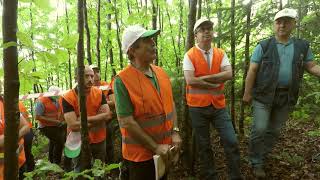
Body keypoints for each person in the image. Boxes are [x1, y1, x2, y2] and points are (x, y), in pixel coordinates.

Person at [243, 8, 320, 178]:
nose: (282, 25)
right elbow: (252, 70)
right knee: (260, 129)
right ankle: (256, 162)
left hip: (286, 96)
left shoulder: (301, 46)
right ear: (274, 25)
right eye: (278, 21)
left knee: (275, 131)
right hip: (263, 96)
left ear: (293, 23)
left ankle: (262, 156)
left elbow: (311, 66)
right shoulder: (264, 46)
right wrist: (247, 93)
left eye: (286, 21)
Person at [113, 25, 182, 180]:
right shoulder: (122, 80)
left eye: (152, 39)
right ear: (132, 50)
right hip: (140, 158)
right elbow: (126, 122)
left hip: (165, 151)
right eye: (147, 40)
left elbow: (170, 104)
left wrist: (175, 132)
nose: (153, 43)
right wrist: (155, 147)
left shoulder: (161, 73)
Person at [183, 18, 241, 180]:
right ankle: (210, 176)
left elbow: (228, 74)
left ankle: (235, 176)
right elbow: (190, 80)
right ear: (196, 35)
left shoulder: (220, 53)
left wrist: (204, 79)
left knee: (231, 141)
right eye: (202, 29)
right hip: (197, 107)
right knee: (204, 145)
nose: (207, 31)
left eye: (209, 28)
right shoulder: (189, 55)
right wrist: (215, 80)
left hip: (218, 106)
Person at [62, 65, 113, 170]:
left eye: (91, 76)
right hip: (78, 140)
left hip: (99, 138)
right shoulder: (68, 97)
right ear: (76, 78)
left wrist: (83, 120)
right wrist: (99, 120)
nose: (90, 79)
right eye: (86, 76)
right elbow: (73, 125)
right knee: (80, 171)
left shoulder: (98, 93)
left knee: (99, 170)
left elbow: (107, 115)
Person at [89, 64, 116, 164]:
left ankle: (111, 167)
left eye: (98, 71)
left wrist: (100, 103)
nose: (96, 74)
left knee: (109, 145)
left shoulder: (106, 85)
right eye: (93, 72)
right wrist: (104, 103)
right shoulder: (87, 87)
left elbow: (113, 102)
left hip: (106, 121)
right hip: (91, 123)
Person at [0, 96, 30, 180]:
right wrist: (16, 135)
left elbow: (26, 127)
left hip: (19, 161)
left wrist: (10, 137)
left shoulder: (5, 103)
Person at [35, 86, 66, 165]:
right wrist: (54, 121)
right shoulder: (41, 101)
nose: (58, 95)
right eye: (56, 94)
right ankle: (56, 162)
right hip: (45, 126)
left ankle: (51, 160)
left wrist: (62, 120)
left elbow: (61, 111)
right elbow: (38, 117)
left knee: (54, 141)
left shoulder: (58, 99)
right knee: (59, 142)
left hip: (56, 124)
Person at [19, 101, 35, 172]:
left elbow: (23, 115)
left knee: (26, 151)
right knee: (25, 151)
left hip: (26, 130)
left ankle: (30, 170)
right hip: (24, 130)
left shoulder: (16, 103)